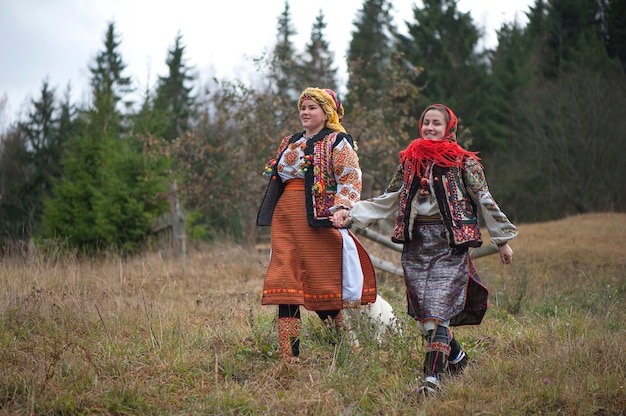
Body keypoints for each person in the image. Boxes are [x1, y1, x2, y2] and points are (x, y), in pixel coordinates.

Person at [332, 103, 518, 392]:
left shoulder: (464, 162)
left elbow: (485, 200)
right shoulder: (410, 161)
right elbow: (389, 198)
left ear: (448, 128)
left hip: (449, 245)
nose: (430, 128)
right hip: (416, 245)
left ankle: (432, 380)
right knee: (424, 318)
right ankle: (457, 358)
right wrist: (352, 214)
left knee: (438, 311)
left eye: (437, 123)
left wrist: (502, 241)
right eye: (426, 122)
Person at [257, 87, 377, 363]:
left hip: (318, 222)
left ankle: (346, 346)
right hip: (286, 217)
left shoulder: (338, 141)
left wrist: (342, 207)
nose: (305, 112)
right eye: (303, 107)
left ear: (326, 113)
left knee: (323, 286)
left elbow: (350, 177)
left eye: (312, 107)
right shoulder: (290, 141)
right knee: (284, 283)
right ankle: (290, 359)